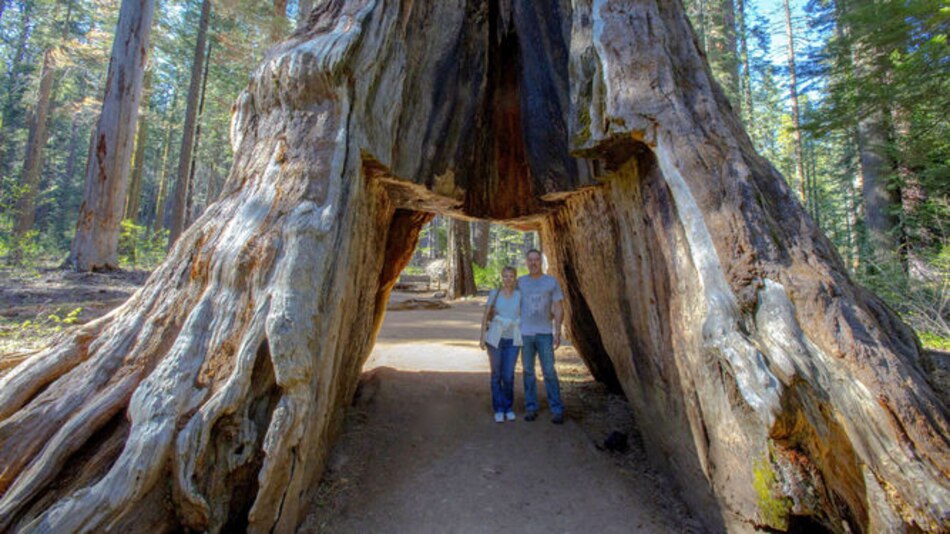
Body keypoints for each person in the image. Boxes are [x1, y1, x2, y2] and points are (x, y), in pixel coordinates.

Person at [519, 249, 565, 424]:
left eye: (536, 259)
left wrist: (557, 331)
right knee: (528, 371)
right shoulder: (520, 282)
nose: (533, 263)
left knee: (549, 371)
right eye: (530, 260)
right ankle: (531, 407)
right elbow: (512, 304)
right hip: (525, 333)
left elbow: (558, 307)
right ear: (526, 262)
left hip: (545, 333)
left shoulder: (551, 282)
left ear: (541, 262)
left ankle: (557, 408)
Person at [479, 266, 522, 423]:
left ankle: (508, 407)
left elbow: (526, 313)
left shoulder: (519, 295)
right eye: (505, 276)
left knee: (508, 375)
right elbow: (486, 314)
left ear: (515, 278)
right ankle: (498, 408)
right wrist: (482, 336)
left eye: (511, 276)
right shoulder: (494, 294)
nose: (508, 279)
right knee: (496, 374)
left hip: (512, 340)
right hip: (495, 339)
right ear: (501, 278)